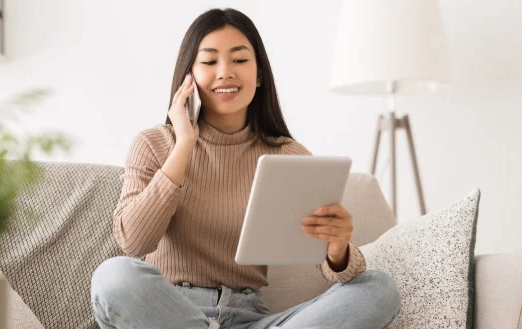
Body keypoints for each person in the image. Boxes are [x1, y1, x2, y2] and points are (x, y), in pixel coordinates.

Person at [91, 8, 401, 329]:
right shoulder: (154, 143)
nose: (225, 72)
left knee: (379, 288)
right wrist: (183, 145)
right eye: (209, 62)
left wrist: (337, 248)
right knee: (113, 274)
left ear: (259, 74)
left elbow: (340, 272)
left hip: (250, 318)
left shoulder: (289, 156)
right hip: (172, 314)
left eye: (239, 60)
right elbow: (134, 243)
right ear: (189, 77)